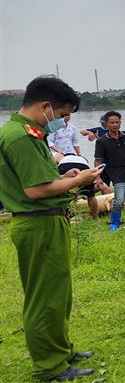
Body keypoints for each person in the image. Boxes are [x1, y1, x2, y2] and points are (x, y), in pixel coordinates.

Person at [0, 76, 102, 381]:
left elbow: (42, 180)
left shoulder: (27, 132)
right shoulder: (20, 137)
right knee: (45, 298)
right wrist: (80, 180)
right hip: (37, 222)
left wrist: (67, 177)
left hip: (48, 221)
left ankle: (61, 349)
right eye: (59, 116)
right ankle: (50, 366)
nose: (59, 123)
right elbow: (35, 191)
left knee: (59, 294)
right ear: (45, 106)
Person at [57, 154, 109, 219]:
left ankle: (64, 215)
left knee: (61, 191)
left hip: (65, 165)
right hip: (83, 165)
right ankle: (95, 217)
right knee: (90, 196)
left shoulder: (63, 159)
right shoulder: (82, 159)